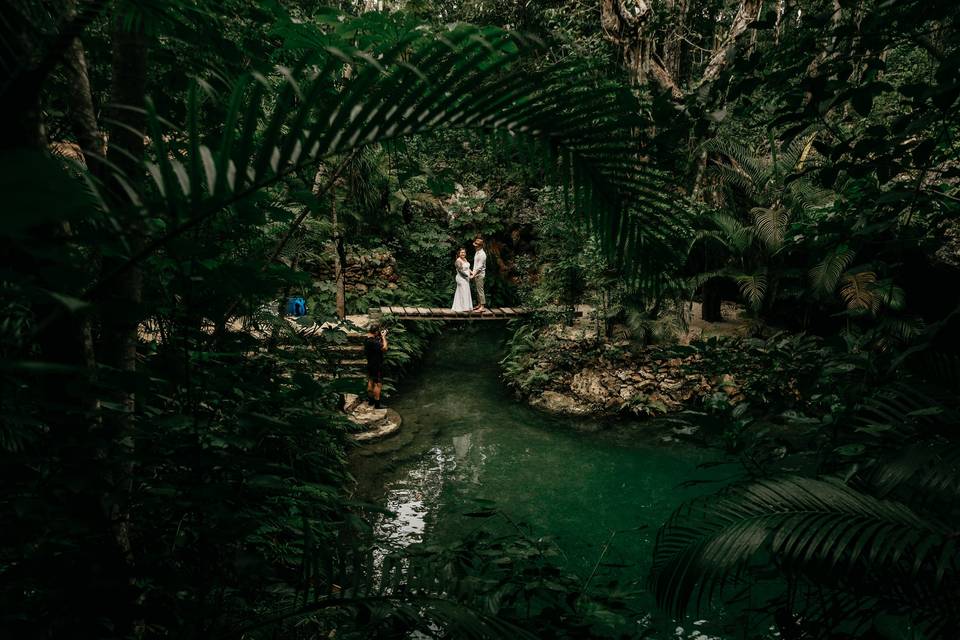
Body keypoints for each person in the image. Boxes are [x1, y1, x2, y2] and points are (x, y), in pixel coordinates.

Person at [364, 322, 388, 408]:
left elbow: (375, 345)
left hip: (370, 364)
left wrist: (378, 337)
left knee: (370, 381)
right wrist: (383, 337)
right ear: (376, 332)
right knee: (378, 384)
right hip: (377, 365)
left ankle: (371, 401)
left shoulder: (367, 339)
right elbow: (385, 348)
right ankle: (377, 404)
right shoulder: (374, 342)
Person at [451, 247, 473, 311]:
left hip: (466, 278)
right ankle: (463, 307)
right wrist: (468, 277)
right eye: (462, 252)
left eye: (464, 252)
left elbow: (467, 268)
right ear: (459, 253)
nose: (463, 253)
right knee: (463, 291)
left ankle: (466, 307)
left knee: (466, 291)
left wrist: (472, 273)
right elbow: (460, 271)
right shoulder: (458, 261)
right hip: (461, 278)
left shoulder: (465, 259)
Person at [470, 237, 487, 312]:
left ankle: (482, 306)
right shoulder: (477, 252)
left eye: (476, 245)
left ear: (480, 246)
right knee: (477, 290)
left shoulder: (482, 254)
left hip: (479, 275)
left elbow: (479, 268)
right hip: (475, 274)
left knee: (480, 290)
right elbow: (475, 265)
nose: (475, 246)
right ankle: (479, 304)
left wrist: (473, 275)